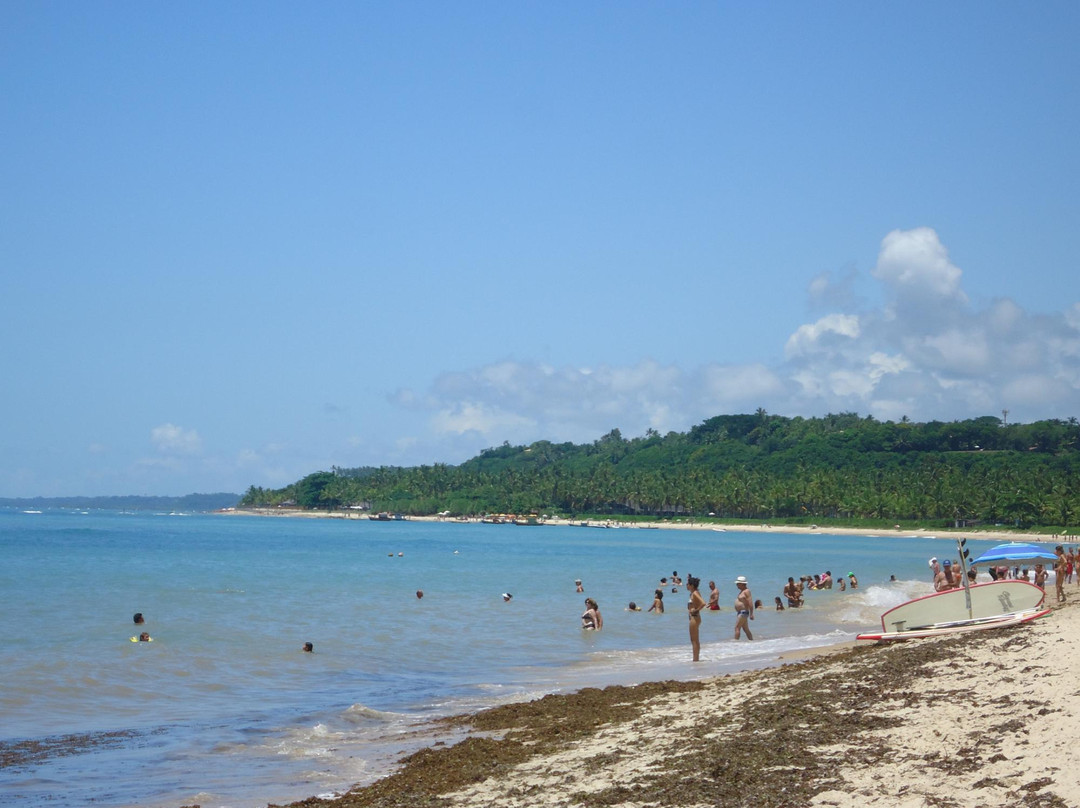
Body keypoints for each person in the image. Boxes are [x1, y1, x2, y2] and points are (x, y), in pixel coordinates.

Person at [686, 576, 707, 661]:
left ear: (691, 585)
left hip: (694, 617)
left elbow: (703, 603)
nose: (686, 585)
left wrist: (696, 610)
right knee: (695, 640)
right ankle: (696, 658)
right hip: (695, 617)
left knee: (694, 640)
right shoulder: (693, 593)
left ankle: (695, 659)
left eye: (688, 584)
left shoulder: (695, 593)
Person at [733, 576, 754, 640]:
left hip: (743, 612)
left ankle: (735, 643)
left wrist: (751, 614)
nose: (737, 585)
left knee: (737, 628)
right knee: (746, 629)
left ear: (742, 584)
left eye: (738, 584)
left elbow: (750, 602)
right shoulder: (742, 591)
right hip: (741, 613)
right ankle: (751, 641)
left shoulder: (746, 591)